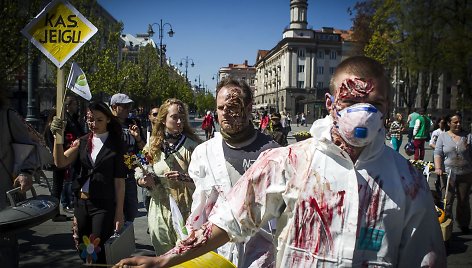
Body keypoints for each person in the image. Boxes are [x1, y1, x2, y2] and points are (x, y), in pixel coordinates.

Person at [117, 56, 446, 268]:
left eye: (375, 103)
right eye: (350, 101)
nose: (364, 112)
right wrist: (164, 260)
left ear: (388, 107)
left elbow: (424, 256)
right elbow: (229, 219)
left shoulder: (408, 182)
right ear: (331, 103)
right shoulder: (286, 162)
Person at [185, 77, 279, 267]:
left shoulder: (273, 152)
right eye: (220, 108)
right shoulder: (204, 153)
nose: (225, 114)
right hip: (219, 253)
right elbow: (199, 207)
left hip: (262, 253)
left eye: (233, 107)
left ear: (249, 107)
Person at [52, 101, 127, 265]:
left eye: (99, 120)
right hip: (81, 203)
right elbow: (60, 161)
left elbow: (120, 182)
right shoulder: (82, 142)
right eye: (90, 119)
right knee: (83, 247)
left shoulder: (117, 144)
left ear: (108, 119)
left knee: (97, 249)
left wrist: (119, 212)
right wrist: (57, 137)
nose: (94, 124)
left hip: (103, 204)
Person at [136, 98, 201, 255]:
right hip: (159, 211)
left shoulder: (193, 146)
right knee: (163, 257)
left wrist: (184, 177)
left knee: (185, 258)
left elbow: (206, 179)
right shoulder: (152, 145)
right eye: (174, 117)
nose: (179, 121)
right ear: (163, 119)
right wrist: (143, 180)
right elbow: (139, 168)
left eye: (182, 117)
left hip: (186, 211)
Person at [0, 92, 39, 268]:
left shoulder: (7, 115)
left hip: (2, 198)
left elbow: (29, 147)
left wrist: (25, 172)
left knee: (5, 247)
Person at [44, 96, 84, 220]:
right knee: (58, 186)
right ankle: (54, 213)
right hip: (61, 157)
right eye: (74, 104)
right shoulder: (57, 123)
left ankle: (57, 211)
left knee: (63, 184)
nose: (76, 107)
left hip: (69, 155)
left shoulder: (72, 120)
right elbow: (52, 140)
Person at [434, 113, 472, 234]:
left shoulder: (468, 136)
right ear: (449, 123)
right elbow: (438, 153)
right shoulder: (443, 136)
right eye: (455, 122)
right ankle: (446, 224)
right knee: (447, 200)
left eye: (460, 121)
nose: (459, 124)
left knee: (463, 200)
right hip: (447, 174)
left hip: (465, 173)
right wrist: (438, 168)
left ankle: (463, 224)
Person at [110, 93, 145, 223]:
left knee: (132, 210)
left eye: (128, 106)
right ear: (114, 107)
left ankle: (127, 237)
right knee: (115, 211)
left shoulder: (133, 123)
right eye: (123, 106)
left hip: (129, 173)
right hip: (113, 175)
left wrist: (138, 138)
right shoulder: (108, 125)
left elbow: (143, 149)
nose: (127, 109)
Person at [429, 117, 448, 195]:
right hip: (438, 155)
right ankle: (438, 185)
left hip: (446, 156)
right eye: (441, 123)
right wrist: (439, 148)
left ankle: (445, 187)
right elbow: (431, 143)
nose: (443, 124)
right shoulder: (436, 132)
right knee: (439, 173)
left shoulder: (448, 132)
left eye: (444, 123)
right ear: (438, 123)